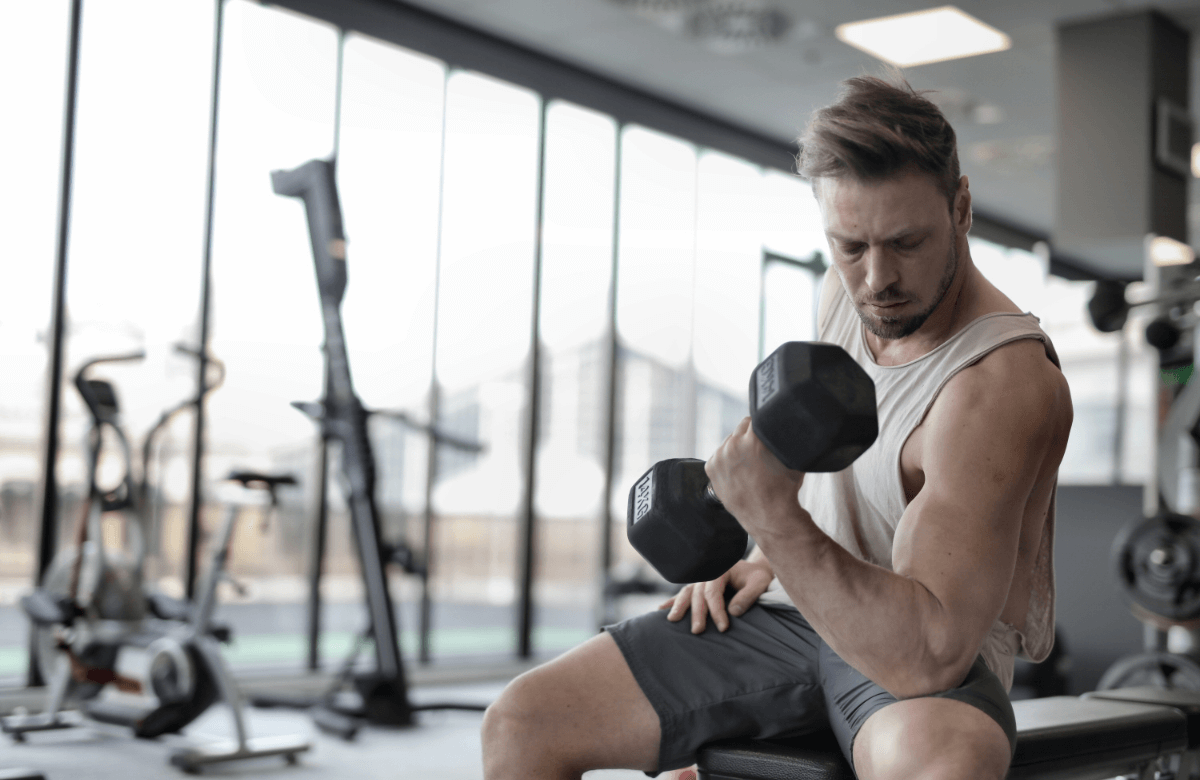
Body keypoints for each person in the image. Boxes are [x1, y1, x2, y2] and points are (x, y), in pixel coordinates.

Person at [480, 74, 1072, 780]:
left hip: (910, 654)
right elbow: (825, 461)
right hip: (790, 612)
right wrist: (757, 555)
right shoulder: (846, 295)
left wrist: (772, 520)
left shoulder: (999, 385)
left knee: (946, 759)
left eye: (906, 242)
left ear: (962, 207)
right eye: (851, 247)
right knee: (522, 722)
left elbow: (930, 653)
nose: (877, 278)